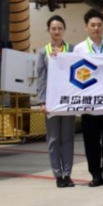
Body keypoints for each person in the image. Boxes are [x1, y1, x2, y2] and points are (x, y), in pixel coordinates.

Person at [74, 9, 103, 187]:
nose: (96, 28)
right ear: (86, 27)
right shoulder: (79, 48)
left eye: (99, 25)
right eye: (92, 25)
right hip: (89, 104)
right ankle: (95, 175)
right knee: (91, 142)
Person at [37, 15, 75, 188]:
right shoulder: (43, 52)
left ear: (64, 30)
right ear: (48, 31)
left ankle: (68, 174)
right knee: (53, 139)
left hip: (67, 101)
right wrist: (42, 102)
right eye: (53, 28)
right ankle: (58, 175)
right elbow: (41, 79)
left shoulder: (72, 50)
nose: (57, 31)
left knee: (67, 138)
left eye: (60, 28)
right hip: (51, 101)